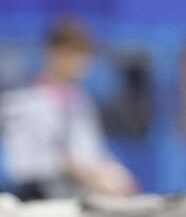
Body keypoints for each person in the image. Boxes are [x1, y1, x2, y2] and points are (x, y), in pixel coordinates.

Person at [0, 18, 136, 199]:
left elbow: (95, 153)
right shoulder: (22, 103)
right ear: (52, 53)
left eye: (83, 55)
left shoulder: (82, 103)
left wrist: (116, 174)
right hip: (43, 201)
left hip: (85, 198)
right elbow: (20, 168)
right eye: (72, 54)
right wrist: (67, 166)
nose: (80, 63)